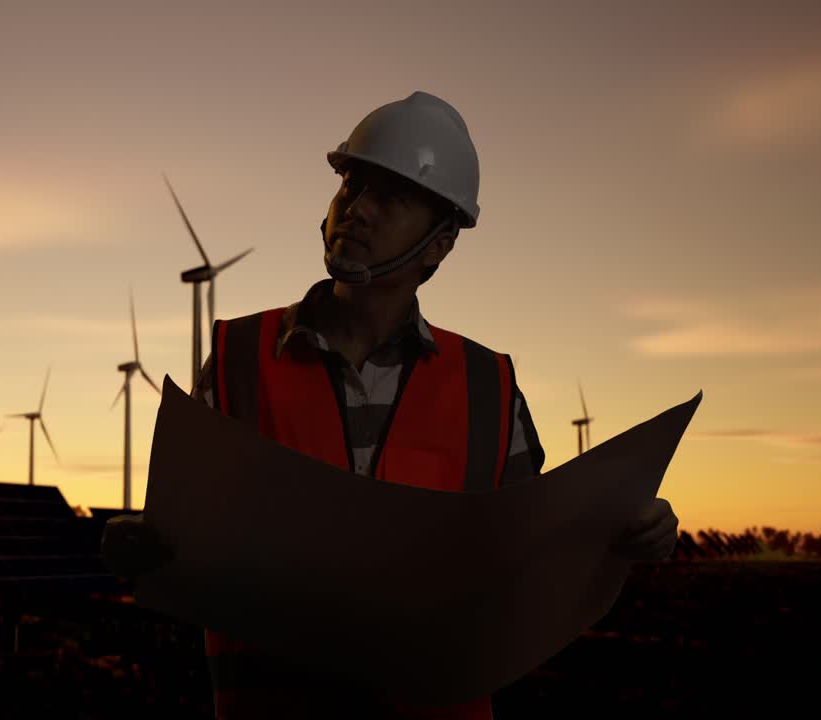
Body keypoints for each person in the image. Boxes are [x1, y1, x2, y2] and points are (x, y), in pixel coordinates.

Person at [101, 91, 679, 719]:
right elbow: (191, 528)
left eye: (389, 198)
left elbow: (534, 553)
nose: (357, 210)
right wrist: (141, 542)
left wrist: (629, 531)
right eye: (351, 187)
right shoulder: (238, 358)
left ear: (439, 243)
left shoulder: (489, 387)